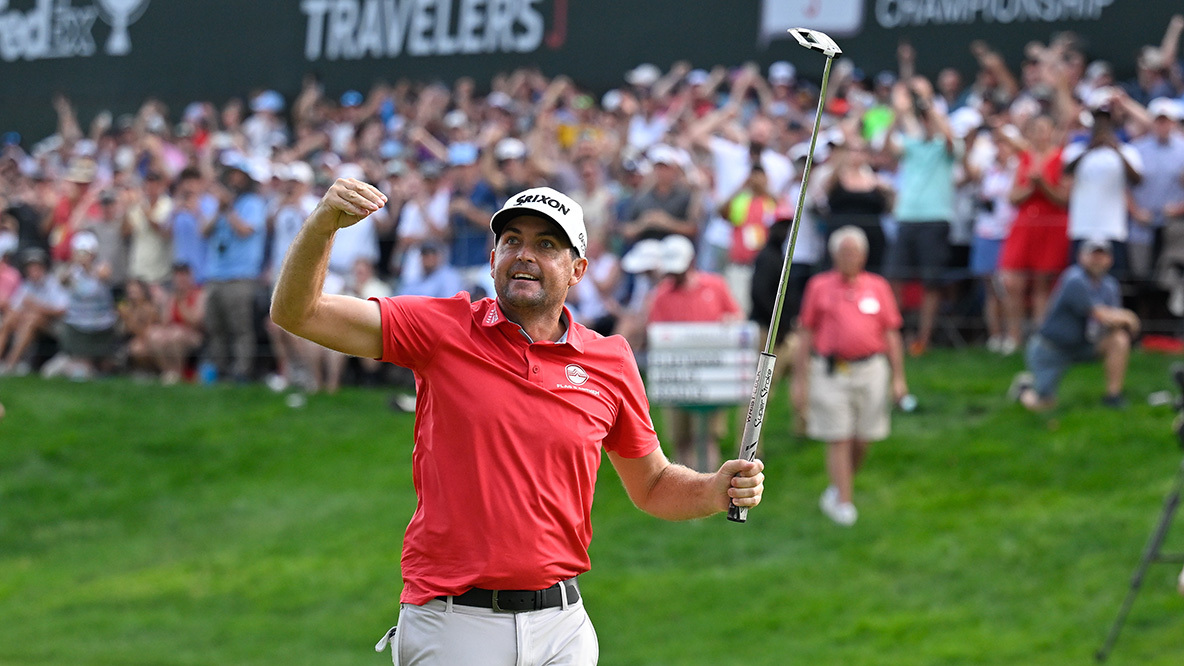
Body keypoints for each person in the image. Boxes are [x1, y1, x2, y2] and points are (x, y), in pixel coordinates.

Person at [270, 180, 764, 665]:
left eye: (546, 245)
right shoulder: (442, 328)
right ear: (492, 259)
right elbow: (299, 313)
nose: (524, 255)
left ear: (577, 270)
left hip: (562, 626)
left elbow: (652, 484)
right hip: (454, 624)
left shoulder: (611, 360)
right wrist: (324, 224)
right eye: (512, 241)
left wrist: (713, 489)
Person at [794, 226, 907, 527]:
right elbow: (806, 332)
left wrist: (899, 378)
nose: (849, 257)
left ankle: (839, 486)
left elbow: (892, 332)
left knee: (864, 436)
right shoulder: (819, 286)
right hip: (831, 370)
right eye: (844, 252)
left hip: (871, 369)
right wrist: (799, 380)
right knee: (838, 436)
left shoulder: (878, 286)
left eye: (854, 252)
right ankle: (844, 502)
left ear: (863, 256)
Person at [645, 234, 742, 471]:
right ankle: (685, 487)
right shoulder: (662, 295)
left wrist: (729, 324)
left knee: (707, 437)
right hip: (678, 377)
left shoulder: (715, 285)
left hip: (710, 375)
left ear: (691, 261)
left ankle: (708, 484)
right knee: (681, 439)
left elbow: (736, 316)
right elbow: (655, 334)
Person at [1010, 240, 1140, 411]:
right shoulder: (1074, 279)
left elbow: (1113, 322)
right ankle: (1024, 390)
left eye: (1102, 256)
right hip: (1052, 349)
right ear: (1080, 257)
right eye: (1093, 255)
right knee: (1045, 405)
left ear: (1110, 259)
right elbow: (1101, 314)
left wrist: (1123, 321)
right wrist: (1129, 317)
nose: (1097, 260)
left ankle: (1113, 396)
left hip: (1083, 345)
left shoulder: (1110, 285)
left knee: (1119, 339)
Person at [884, 76, 960, 356]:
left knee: (931, 283)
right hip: (907, 216)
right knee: (895, 278)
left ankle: (922, 340)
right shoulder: (911, 145)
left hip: (935, 218)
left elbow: (950, 140)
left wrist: (930, 109)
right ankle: (896, 335)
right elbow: (885, 147)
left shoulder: (945, 148)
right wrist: (899, 114)